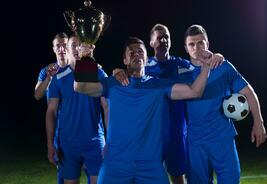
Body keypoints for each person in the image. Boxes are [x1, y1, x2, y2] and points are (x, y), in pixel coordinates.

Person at [74, 37, 211, 184]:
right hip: (116, 163)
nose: (136, 54)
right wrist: (83, 58)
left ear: (146, 59)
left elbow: (194, 92)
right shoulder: (113, 83)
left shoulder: (157, 85)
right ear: (125, 60)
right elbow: (80, 87)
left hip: (150, 165)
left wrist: (206, 66)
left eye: (140, 51)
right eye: (131, 53)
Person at [114, 24, 224, 184]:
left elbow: (199, 68)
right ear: (151, 43)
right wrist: (117, 71)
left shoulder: (182, 65)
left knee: (178, 175)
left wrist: (216, 56)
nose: (164, 40)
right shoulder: (144, 65)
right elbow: (127, 72)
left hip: (177, 129)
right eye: (159, 37)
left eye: (167, 37)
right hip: (151, 132)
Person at [180, 24, 266, 184]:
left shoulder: (223, 66)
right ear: (186, 48)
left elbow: (249, 92)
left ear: (208, 44)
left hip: (222, 137)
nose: (196, 47)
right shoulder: (180, 71)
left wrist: (258, 122)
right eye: (191, 44)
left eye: (200, 43)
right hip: (195, 141)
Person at [46, 34, 108, 184]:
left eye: (80, 45)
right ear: (67, 49)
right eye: (72, 45)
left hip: (94, 142)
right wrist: (50, 144)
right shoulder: (59, 77)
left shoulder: (98, 73)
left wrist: (110, 139)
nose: (76, 49)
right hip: (68, 143)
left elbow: (107, 107)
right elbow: (51, 112)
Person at [34, 32, 68, 184]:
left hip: (79, 127)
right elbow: (37, 95)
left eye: (64, 45)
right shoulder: (47, 71)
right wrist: (48, 78)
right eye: (58, 46)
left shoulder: (79, 68)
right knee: (64, 173)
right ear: (54, 49)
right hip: (58, 129)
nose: (61, 49)